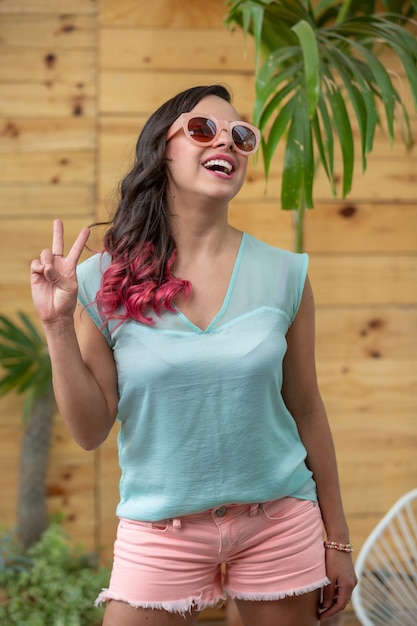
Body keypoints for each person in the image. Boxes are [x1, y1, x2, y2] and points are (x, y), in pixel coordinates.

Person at [30, 84, 357, 626]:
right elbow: (90, 430)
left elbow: (307, 409)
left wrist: (338, 540)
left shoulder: (286, 274)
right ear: (163, 148)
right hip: (160, 530)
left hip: (278, 520)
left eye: (241, 136)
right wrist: (57, 325)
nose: (225, 143)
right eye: (203, 129)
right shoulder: (101, 279)